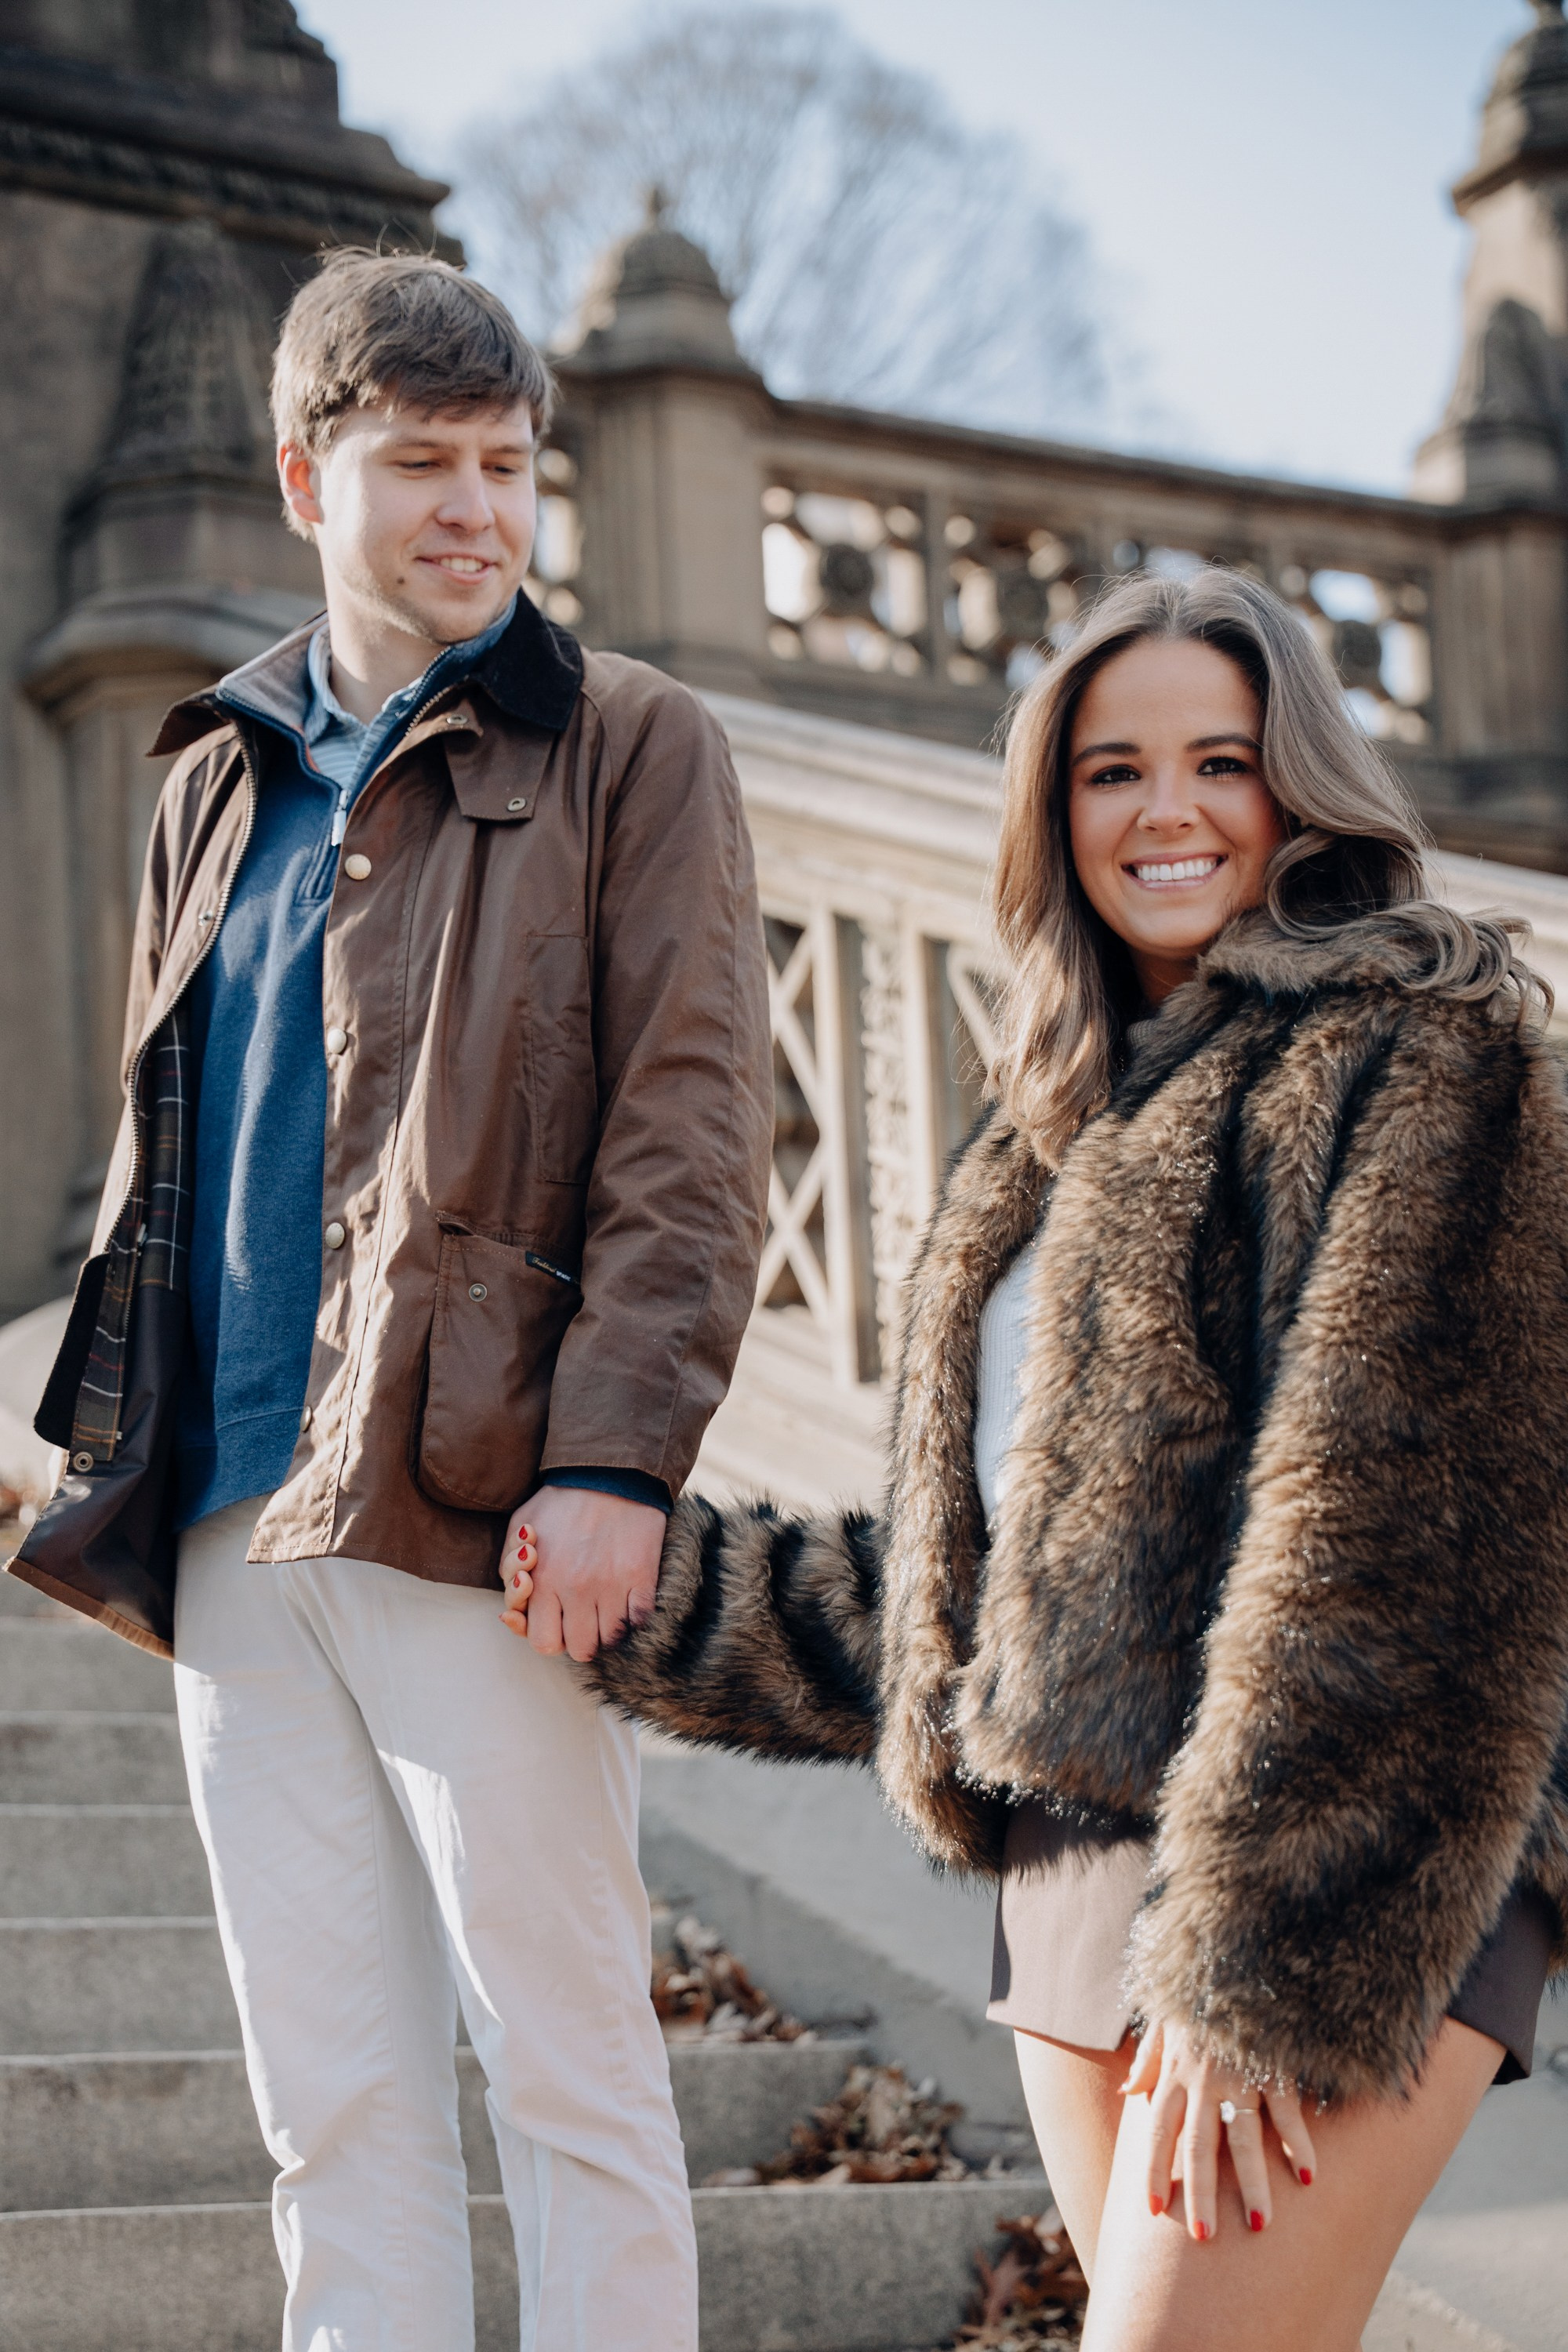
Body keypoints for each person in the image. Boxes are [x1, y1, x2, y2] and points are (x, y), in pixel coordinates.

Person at [590, 569, 1568, 2352]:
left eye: (1220, 760)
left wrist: (1253, 1951)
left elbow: (1409, 1534)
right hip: (1069, 1865)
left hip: (1352, 1859)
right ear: (1058, 814)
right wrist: (627, 1587)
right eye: (1113, 771)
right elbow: (967, 1593)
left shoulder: (1421, 1050)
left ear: (1299, 790)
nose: (1168, 810)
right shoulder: (1045, 1131)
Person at [9, 248, 773, 2352]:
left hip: (481, 1489)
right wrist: (86, 1417)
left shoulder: (630, 746)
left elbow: (692, 1131)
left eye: (508, 465)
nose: (476, 509)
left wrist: (617, 1454)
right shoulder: (210, 775)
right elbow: (169, 1137)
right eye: (420, 462)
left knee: (569, 2063)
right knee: (332, 2099)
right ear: (301, 476)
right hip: (229, 1508)